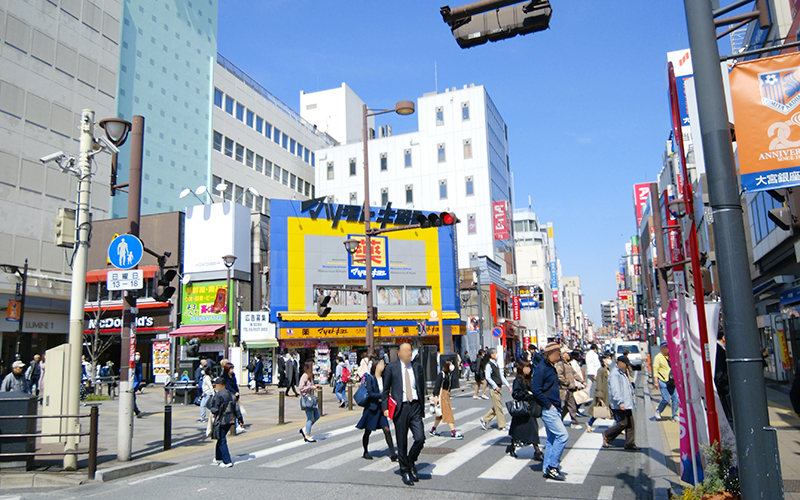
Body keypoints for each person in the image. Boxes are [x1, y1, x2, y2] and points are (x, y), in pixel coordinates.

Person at [382, 342, 425, 487]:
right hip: (401, 408)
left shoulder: (417, 367)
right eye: (405, 351)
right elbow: (385, 389)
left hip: (415, 406)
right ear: (399, 353)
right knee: (402, 441)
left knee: (420, 438)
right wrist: (385, 408)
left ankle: (410, 460)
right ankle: (405, 471)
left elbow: (421, 387)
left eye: (410, 351)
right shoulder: (391, 368)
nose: (408, 353)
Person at [532, 342, 568, 481]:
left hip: (554, 407)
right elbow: (536, 390)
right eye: (557, 354)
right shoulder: (542, 368)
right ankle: (553, 466)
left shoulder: (549, 367)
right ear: (550, 354)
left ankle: (547, 468)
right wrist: (549, 405)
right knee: (562, 436)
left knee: (552, 440)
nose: (559, 356)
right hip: (549, 409)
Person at [356, 356, 397, 460]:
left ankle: (392, 453)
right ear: (376, 365)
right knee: (368, 431)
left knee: (386, 429)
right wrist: (384, 395)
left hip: (381, 408)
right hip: (371, 408)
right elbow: (370, 394)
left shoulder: (384, 378)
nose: (383, 366)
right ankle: (365, 451)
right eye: (381, 364)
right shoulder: (370, 378)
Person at [507, 359, 544, 461]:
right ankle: (536, 451)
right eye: (526, 367)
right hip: (523, 410)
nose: (528, 370)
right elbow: (515, 394)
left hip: (529, 409)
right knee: (521, 430)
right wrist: (526, 393)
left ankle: (514, 447)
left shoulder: (530, 379)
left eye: (529, 367)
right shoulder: (518, 380)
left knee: (528, 430)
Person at [603, 356, 639, 450]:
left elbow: (628, 387)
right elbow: (616, 390)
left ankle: (630, 443)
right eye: (625, 365)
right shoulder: (615, 374)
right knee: (623, 422)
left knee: (630, 423)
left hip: (627, 402)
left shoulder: (622, 373)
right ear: (619, 363)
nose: (626, 367)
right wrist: (620, 402)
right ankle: (608, 435)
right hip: (620, 403)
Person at [479, 348, 512, 431]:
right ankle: (502, 425)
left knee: (497, 406)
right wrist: (495, 386)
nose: (496, 355)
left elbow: (501, 376)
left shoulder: (496, 364)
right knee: (499, 408)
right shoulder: (489, 365)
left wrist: (507, 385)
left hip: (499, 387)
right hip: (494, 389)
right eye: (495, 353)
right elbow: (488, 377)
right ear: (492, 355)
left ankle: (485, 419)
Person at [430, 359, 463, 439]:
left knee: (440, 414)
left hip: (446, 396)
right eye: (450, 364)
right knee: (448, 413)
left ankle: (433, 429)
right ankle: (453, 432)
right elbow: (437, 386)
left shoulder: (449, 374)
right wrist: (436, 396)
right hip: (442, 396)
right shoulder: (442, 374)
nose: (452, 366)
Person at [209, 376, 235, 468]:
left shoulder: (218, 395)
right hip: (230, 419)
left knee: (222, 439)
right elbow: (236, 407)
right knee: (220, 438)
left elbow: (214, 409)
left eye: (217, 384)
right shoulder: (230, 394)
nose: (216, 386)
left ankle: (227, 461)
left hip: (221, 420)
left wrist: (211, 408)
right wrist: (240, 419)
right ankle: (218, 458)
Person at [556, 350, 583, 429]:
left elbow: (574, 374)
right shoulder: (560, 365)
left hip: (570, 388)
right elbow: (560, 376)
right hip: (565, 389)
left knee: (567, 406)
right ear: (563, 355)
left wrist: (582, 381)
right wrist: (566, 382)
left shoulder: (568, 364)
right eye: (567, 353)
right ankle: (574, 422)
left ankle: (559, 419)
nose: (569, 355)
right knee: (571, 405)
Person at [653, 341, 679, 422]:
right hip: (662, 380)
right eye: (664, 348)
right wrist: (656, 381)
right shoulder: (658, 357)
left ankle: (674, 415)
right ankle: (658, 411)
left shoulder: (673, 356)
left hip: (672, 381)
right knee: (666, 399)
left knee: (676, 399)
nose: (666, 349)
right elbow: (655, 369)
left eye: (667, 347)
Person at [587, 353, 611, 432]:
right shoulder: (601, 370)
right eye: (608, 358)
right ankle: (589, 423)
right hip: (603, 393)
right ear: (603, 360)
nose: (610, 360)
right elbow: (599, 382)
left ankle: (620, 426)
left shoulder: (608, 369)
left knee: (612, 410)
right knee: (599, 411)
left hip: (608, 393)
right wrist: (600, 395)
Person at [715, 331, 734, 428]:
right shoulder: (719, 351)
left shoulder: (716, 349)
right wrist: (726, 388)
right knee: (729, 417)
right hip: (723, 389)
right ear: (724, 338)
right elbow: (719, 373)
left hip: (722, 388)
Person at [299, 360, 320, 442]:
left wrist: (314, 386)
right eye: (313, 366)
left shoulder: (310, 376)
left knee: (317, 416)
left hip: (311, 398)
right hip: (307, 399)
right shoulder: (304, 376)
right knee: (310, 418)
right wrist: (311, 387)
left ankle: (305, 429)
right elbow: (301, 388)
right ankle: (307, 435)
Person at [222, 362, 244, 432]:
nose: (232, 370)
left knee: (236, 410)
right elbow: (228, 386)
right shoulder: (225, 376)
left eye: (232, 369)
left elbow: (235, 384)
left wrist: (237, 391)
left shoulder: (233, 375)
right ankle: (236, 425)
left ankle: (238, 424)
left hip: (235, 394)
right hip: (229, 395)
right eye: (231, 369)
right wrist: (234, 393)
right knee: (234, 409)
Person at [133, 352, 144, 418]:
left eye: (139, 355)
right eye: (136, 355)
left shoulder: (139, 364)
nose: (137, 356)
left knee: (133, 398)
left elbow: (140, 374)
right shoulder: (131, 363)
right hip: (131, 383)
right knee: (132, 398)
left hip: (136, 383)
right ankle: (137, 412)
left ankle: (136, 411)